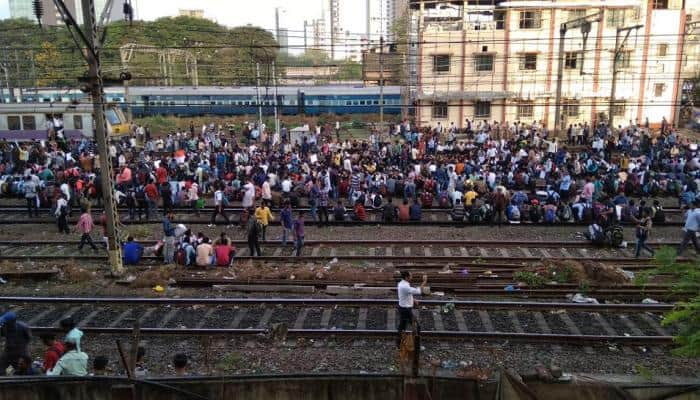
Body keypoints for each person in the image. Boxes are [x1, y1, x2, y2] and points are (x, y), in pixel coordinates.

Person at [396, 271, 427, 348]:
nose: (412, 277)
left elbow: (407, 294)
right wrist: (424, 281)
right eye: (411, 275)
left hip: (403, 309)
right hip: (406, 310)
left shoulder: (402, 283)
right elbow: (419, 291)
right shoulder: (405, 286)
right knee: (417, 326)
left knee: (402, 327)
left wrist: (413, 300)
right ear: (406, 277)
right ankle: (417, 346)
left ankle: (399, 345)